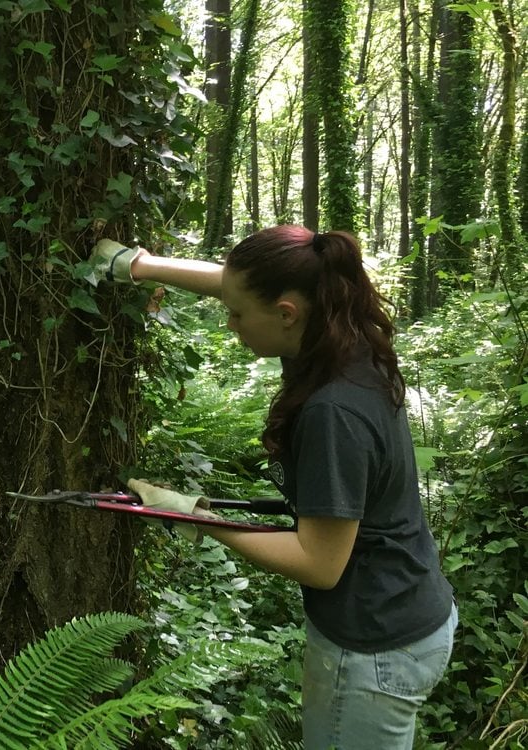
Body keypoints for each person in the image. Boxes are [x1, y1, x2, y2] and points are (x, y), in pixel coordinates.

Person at [92, 226, 456, 749]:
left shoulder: (334, 412)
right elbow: (234, 285)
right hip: (410, 611)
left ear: (287, 313)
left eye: (237, 315)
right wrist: (139, 265)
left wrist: (196, 515)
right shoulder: (338, 332)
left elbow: (319, 564)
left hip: (372, 648)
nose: (230, 321)